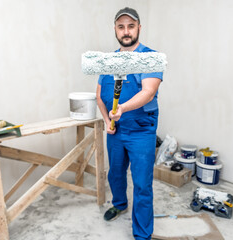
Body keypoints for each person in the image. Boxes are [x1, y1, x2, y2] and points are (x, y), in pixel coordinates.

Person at [96, 7, 164, 240]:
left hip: (141, 131)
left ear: (139, 28)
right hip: (115, 130)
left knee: (142, 183)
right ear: (115, 29)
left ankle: (142, 234)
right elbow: (99, 94)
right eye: (121, 26)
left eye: (131, 26)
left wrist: (122, 108)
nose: (126, 31)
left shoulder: (150, 58)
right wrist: (107, 120)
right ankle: (120, 204)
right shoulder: (108, 61)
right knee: (115, 173)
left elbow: (148, 92)